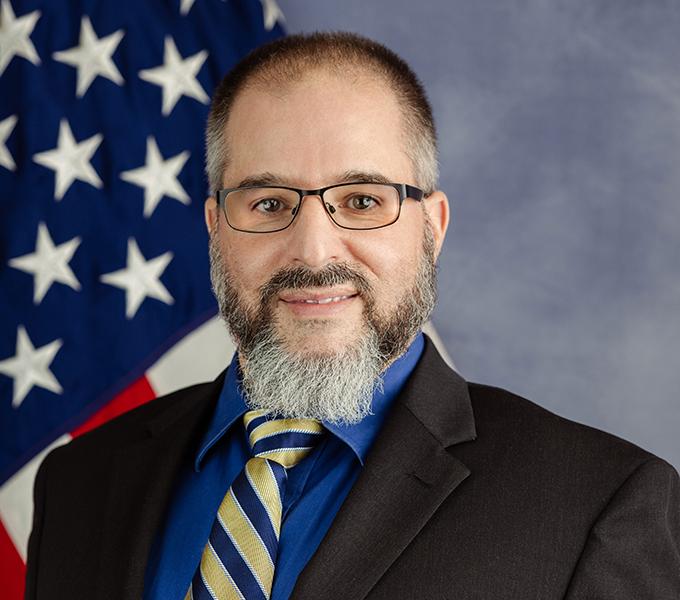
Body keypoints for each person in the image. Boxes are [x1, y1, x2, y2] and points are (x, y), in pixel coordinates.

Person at [25, 32, 679, 600]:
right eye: (269, 203)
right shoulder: (79, 482)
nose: (313, 250)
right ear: (215, 228)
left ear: (432, 227)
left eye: (362, 200)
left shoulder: (597, 503)